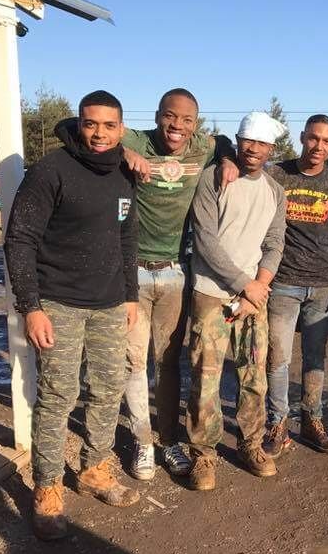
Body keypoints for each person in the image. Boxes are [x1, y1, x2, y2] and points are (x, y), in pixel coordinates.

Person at [56, 89, 235, 481]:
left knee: (167, 361)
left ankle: (168, 440)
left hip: (175, 272)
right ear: (157, 116)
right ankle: (142, 441)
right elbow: (68, 128)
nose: (178, 126)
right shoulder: (134, 139)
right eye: (171, 117)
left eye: (187, 120)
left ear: (195, 124)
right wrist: (124, 152)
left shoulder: (201, 146)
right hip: (132, 270)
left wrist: (226, 158)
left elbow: (223, 142)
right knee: (134, 361)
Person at [4, 90, 140, 541]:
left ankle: (95, 470)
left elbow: (126, 239)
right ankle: (47, 487)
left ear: (121, 129)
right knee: (58, 396)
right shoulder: (51, 171)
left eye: (108, 125)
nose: (99, 134)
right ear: (78, 124)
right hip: (58, 305)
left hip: (108, 305)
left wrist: (131, 296)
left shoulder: (124, 172)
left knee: (107, 390)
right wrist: (31, 307)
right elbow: (19, 239)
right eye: (90, 123)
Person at [186, 111, 287, 491]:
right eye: (248, 141)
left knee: (254, 375)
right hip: (212, 293)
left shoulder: (274, 190)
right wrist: (245, 284)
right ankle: (204, 454)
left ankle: (251, 444)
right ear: (238, 141)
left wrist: (259, 284)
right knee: (206, 377)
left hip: (254, 296)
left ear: (271, 148)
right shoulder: (214, 179)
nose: (253, 149)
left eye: (261, 144)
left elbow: (275, 242)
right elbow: (206, 240)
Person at [262, 115, 328, 458]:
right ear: (302, 137)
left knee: (315, 359)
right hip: (282, 281)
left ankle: (312, 421)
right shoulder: (278, 174)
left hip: (321, 285)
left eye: (326, 141)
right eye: (313, 138)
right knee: (278, 357)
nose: (319, 146)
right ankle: (277, 424)